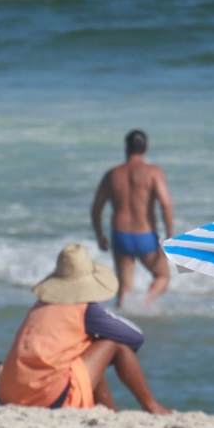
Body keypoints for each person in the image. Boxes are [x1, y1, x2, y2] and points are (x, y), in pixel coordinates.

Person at [0, 243, 172, 414]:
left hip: (11, 393)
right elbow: (135, 337)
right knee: (114, 344)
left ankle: (109, 411)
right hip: (46, 397)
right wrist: (101, 325)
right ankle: (152, 406)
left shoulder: (40, 304)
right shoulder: (85, 309)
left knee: (86, 349)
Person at [90, 130, 174, 308]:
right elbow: (165, 204)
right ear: (146, 148)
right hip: (145, 236)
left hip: (121, 236)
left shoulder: (112, 175)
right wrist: (170, 236)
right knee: (162, 276)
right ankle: (145, 303)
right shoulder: (153, 172)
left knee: (124, 289)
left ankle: (121, 322)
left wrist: (100, 235)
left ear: (126, 148)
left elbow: (96, 208)